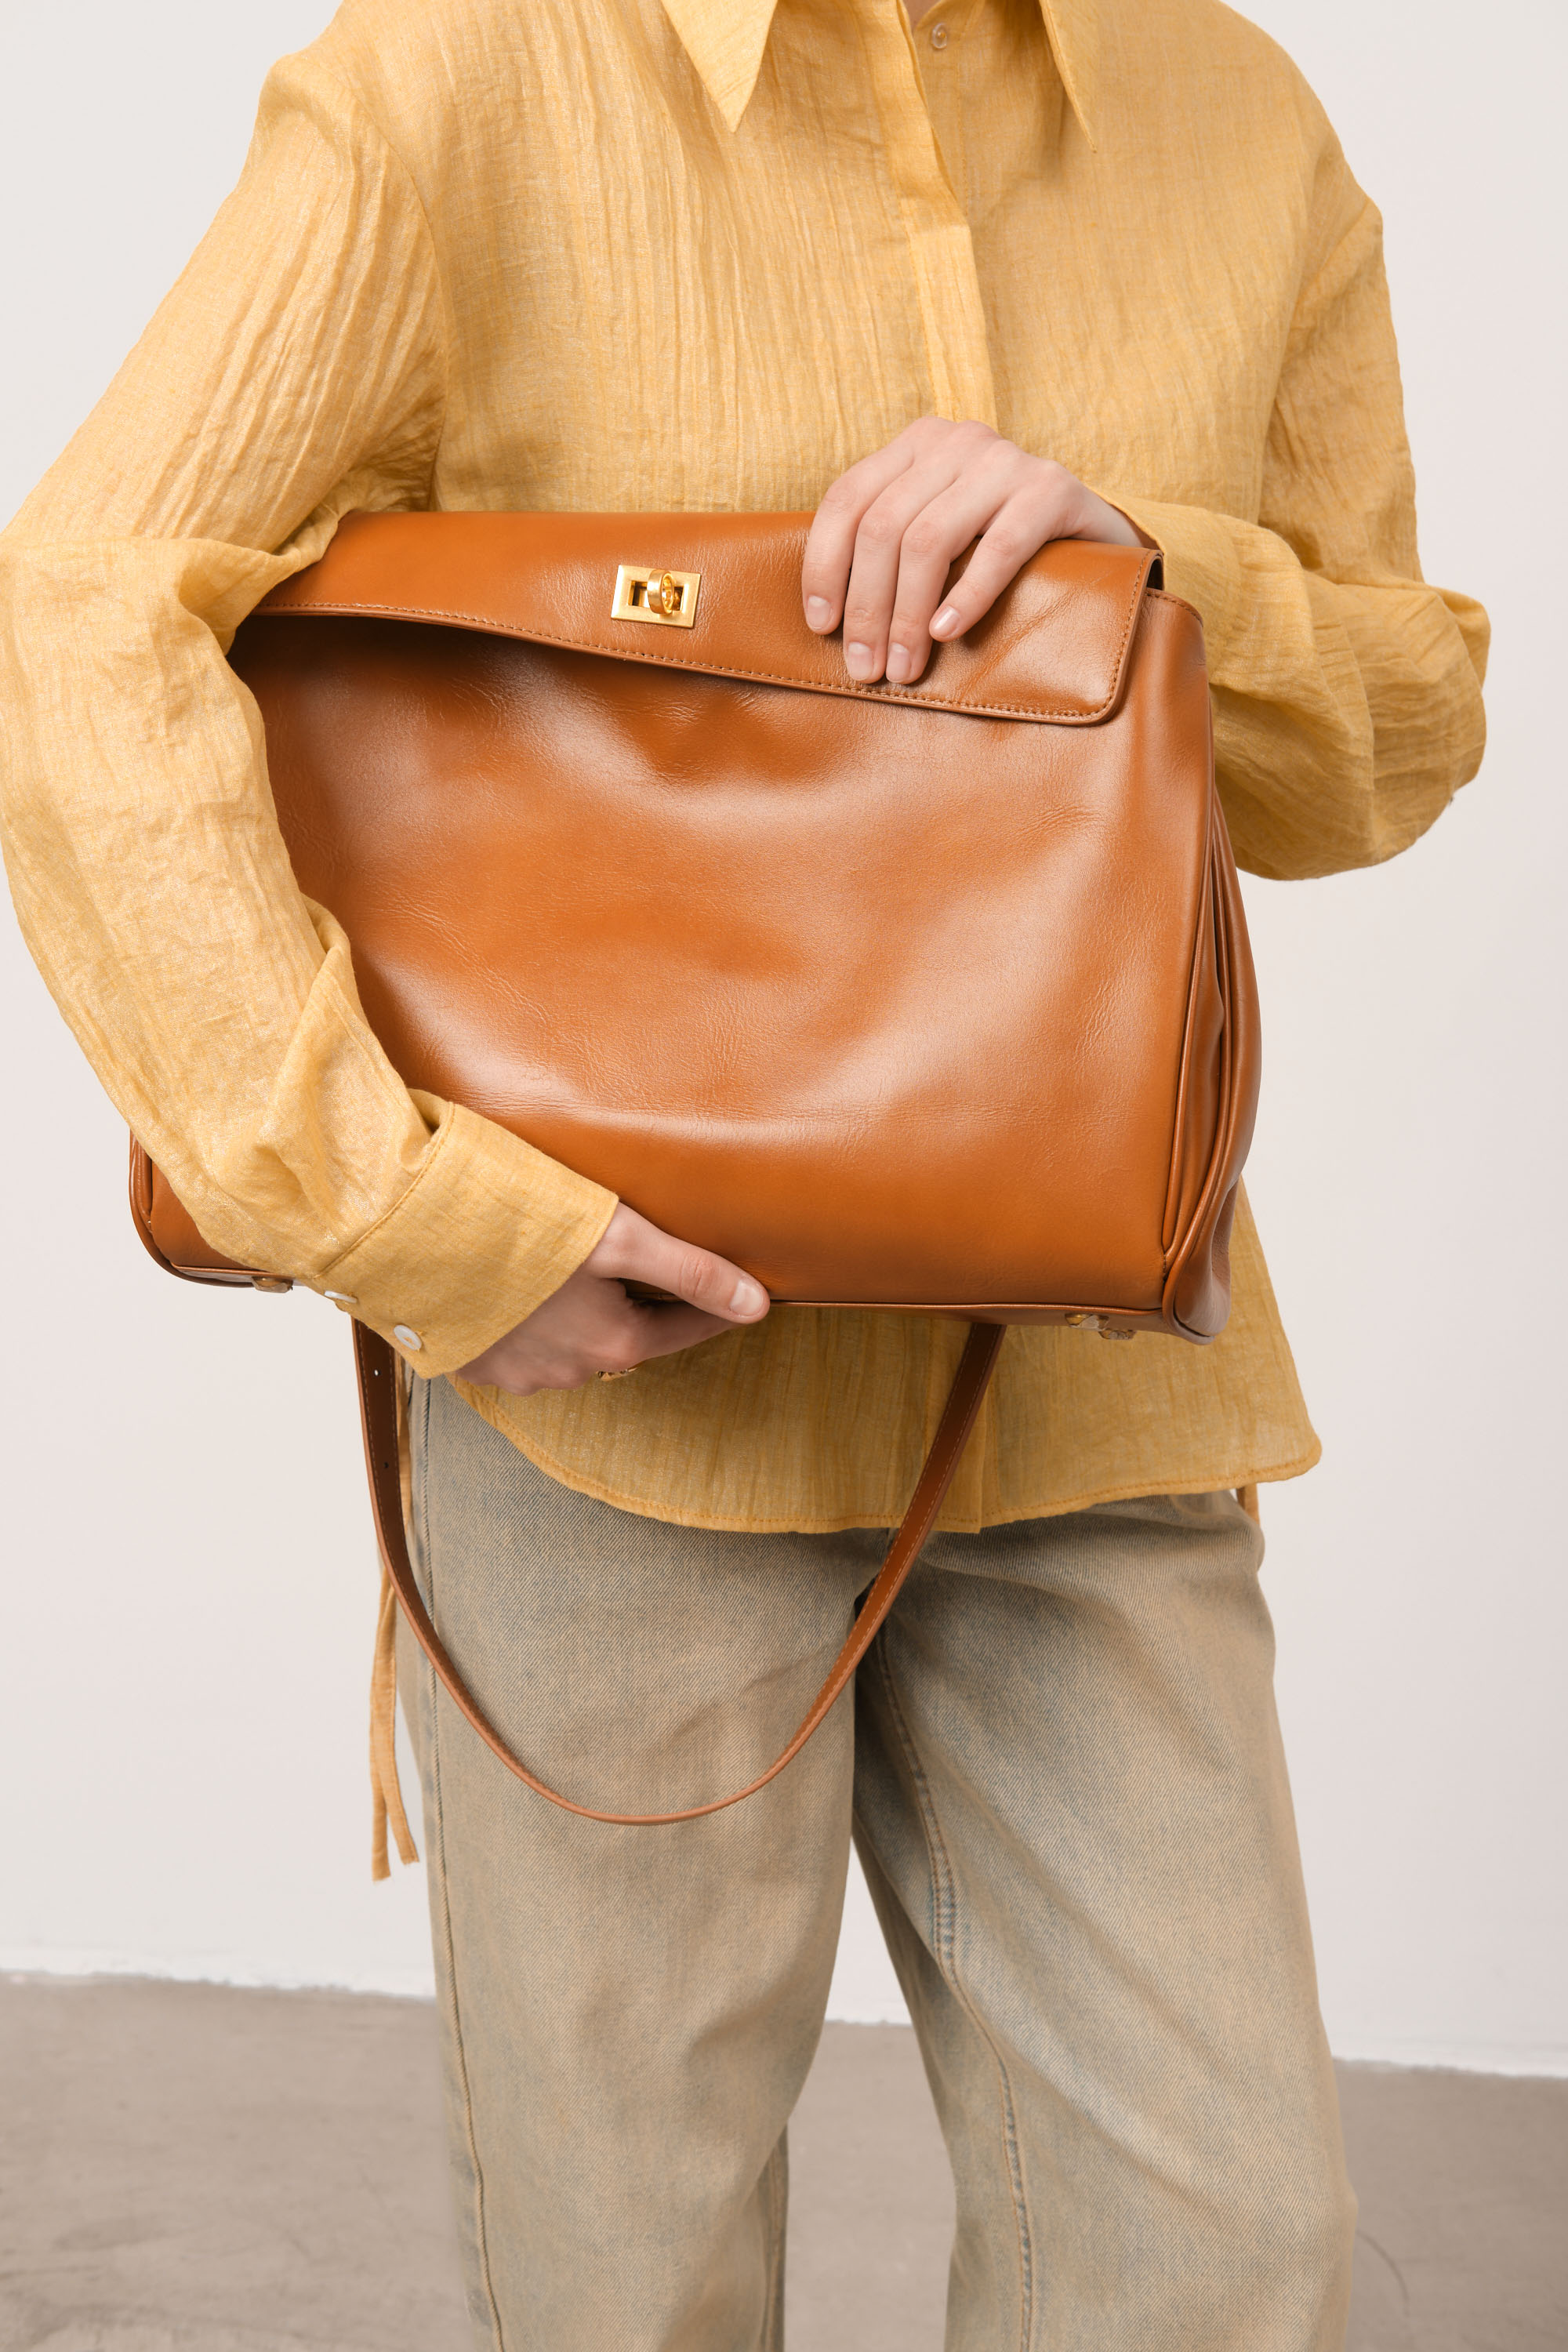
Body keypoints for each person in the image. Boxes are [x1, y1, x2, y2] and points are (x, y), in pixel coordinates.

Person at [0, 0, 1486, 2343]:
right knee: (635, 2283)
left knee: (1221, 2252)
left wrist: (1142, 571)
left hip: (1089, 1377)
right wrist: (406, 1216)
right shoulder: (465, 76)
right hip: (608, 1389)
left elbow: (1389, 742)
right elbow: (85, 605)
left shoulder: (1232, 110)